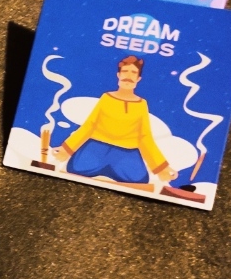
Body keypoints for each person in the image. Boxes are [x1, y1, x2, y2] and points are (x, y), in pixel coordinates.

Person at [53, 55, 177, 185]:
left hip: (126, 152)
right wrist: (66, 149)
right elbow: (89, 126)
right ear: (118, 75)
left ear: (138, 78)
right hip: (97, 147)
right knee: (76, 168)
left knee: (139, 180)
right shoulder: (106, 98)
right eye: (125, 71)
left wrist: (161, 168)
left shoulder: (141, 104)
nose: (128, 76)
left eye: (133, 72)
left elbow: (145, 137)